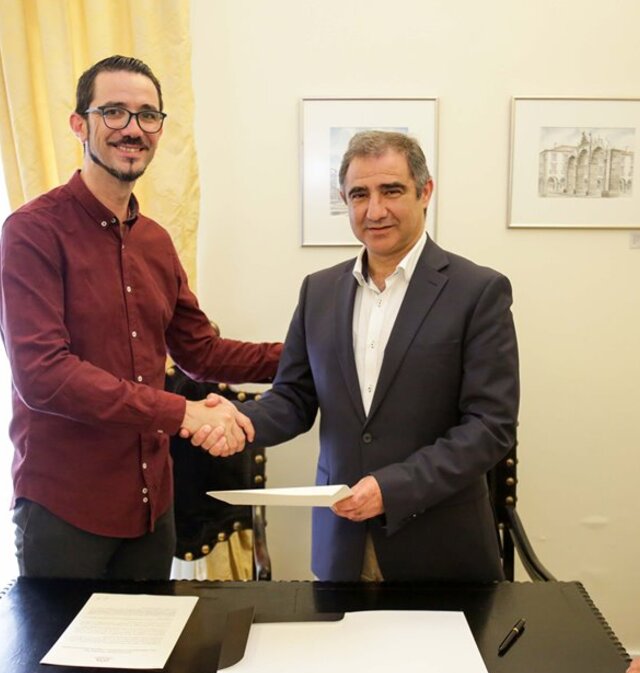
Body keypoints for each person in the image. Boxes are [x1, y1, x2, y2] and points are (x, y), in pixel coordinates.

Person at [0, 55, 280, 580]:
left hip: (153, 509)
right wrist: (183, 413)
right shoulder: (31, 232)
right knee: (62, 641)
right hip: (64, 511)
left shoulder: (156, 241)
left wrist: (313, 352)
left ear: (159, 130)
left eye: (148, 115)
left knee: (152, 637)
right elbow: (43, 375)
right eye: (114, 112)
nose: (133, 128)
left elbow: (200, 352)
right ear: (79, 124)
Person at [195, 130, 519, 581]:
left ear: (425, 192)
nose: (375, 210)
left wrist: (392, 487)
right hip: (341, 546)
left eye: (392, 191)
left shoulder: (478, 291)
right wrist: (240, 420)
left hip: (440, 549)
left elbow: (490, 426)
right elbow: (294, 398)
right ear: (344, 200)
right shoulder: (318, 291)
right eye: (359, 195)